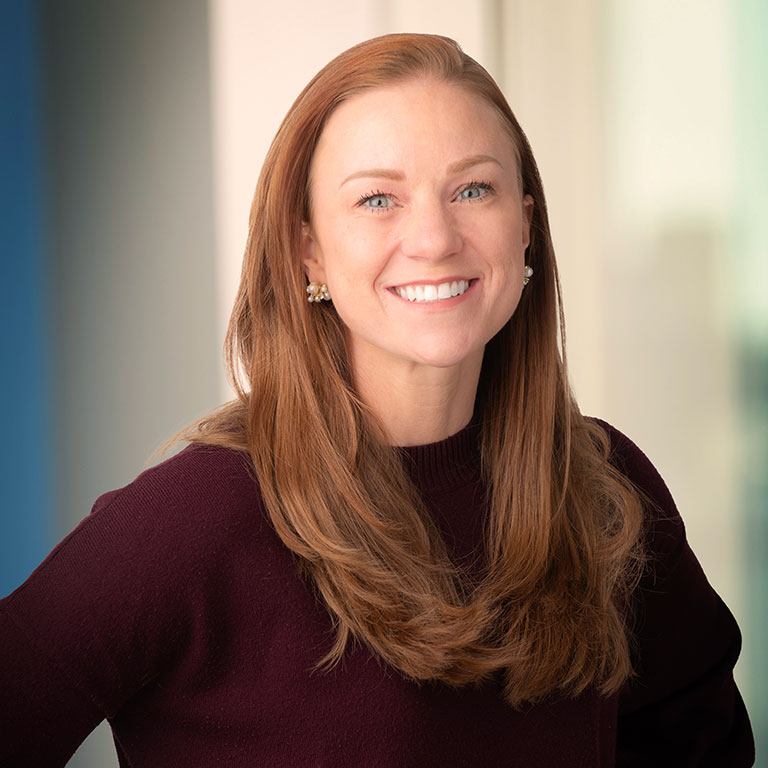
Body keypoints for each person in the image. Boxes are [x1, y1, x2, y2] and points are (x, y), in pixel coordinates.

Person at [0, 33, 754, 767]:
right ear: (309, 250)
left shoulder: (603, 486)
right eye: (376, 200)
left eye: (472, 189)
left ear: (524, 226)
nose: (432, 237)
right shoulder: (196, 518)